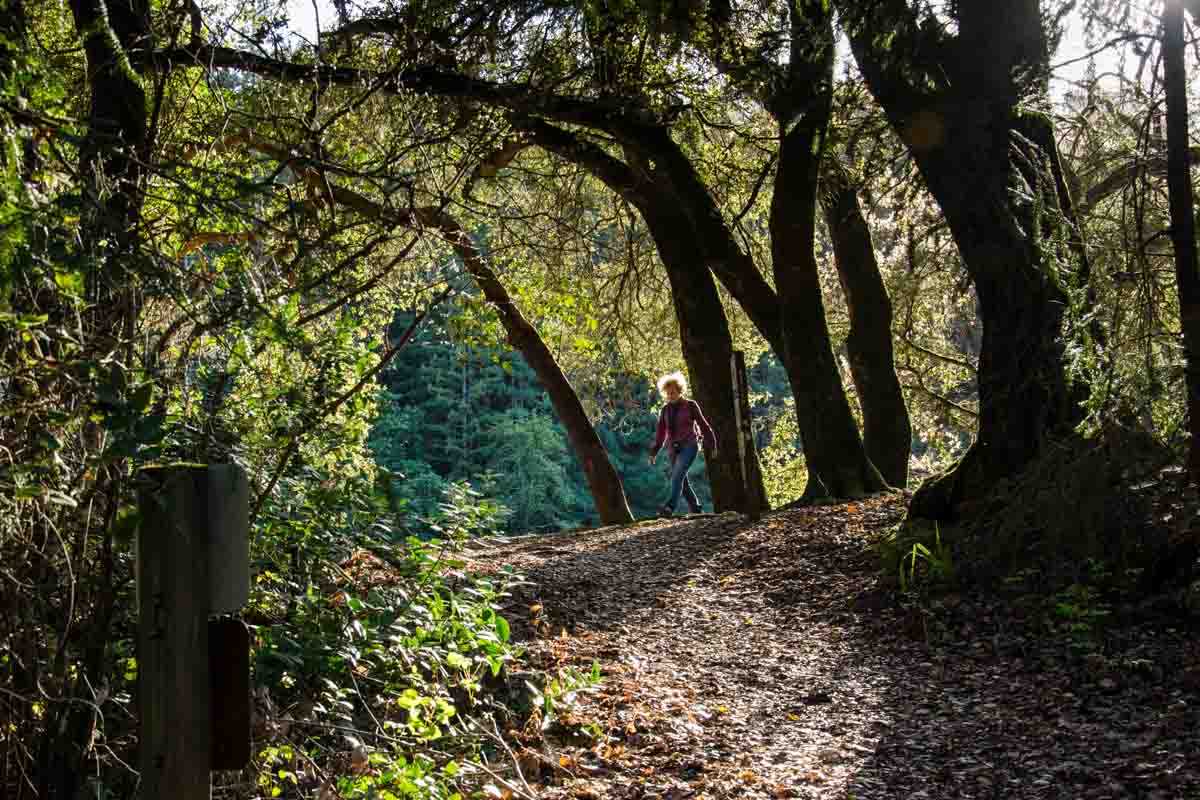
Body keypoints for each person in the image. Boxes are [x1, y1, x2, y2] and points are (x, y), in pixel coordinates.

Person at [648, 371, 718, 517]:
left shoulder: (691, 406)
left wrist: (713, 445)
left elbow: (704, 426)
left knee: (677, 475)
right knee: (682, 482)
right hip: (673, 450)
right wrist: (654, 452)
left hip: (690, 445)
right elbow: (661, 433)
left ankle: (669, 507)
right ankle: (696, 509)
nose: (670, 396)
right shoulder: (665, 410)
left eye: (672, 393)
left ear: (680, 391)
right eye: (667, 394)